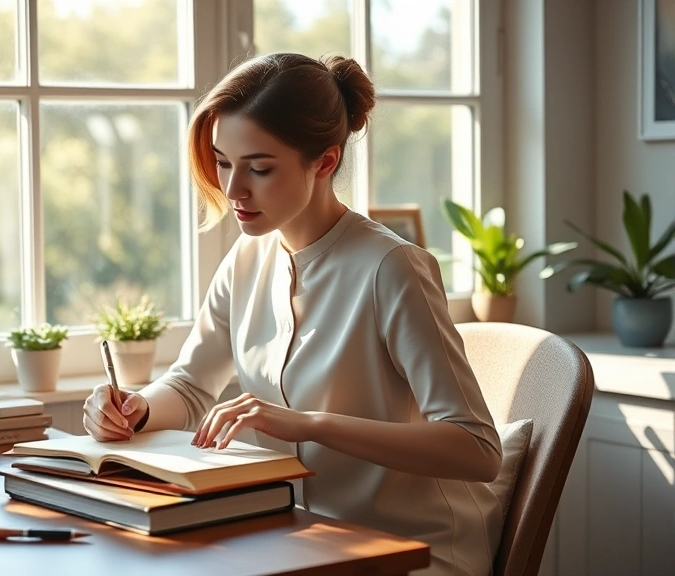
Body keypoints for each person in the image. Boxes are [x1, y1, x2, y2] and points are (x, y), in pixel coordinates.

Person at [82, 52, 503, 576]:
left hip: (411, 552)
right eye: (223, 161)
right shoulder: (247, 257)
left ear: (325, 162)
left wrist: (309, 424)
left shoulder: (391, 268)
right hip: (295, 540)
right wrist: (136, 408)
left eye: (259, 168)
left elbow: (478, 449)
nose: (234, 190)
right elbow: (192, 386)